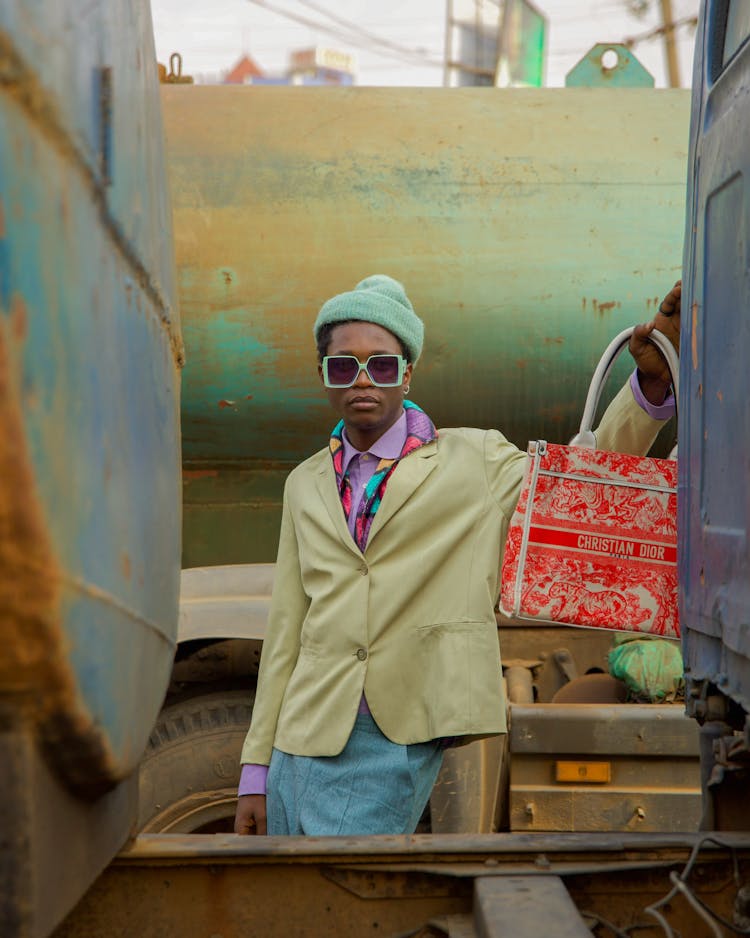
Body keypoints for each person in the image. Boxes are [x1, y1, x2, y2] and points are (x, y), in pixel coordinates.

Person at [234, 274, 681, 837]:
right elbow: (286, 630)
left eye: (384, 365)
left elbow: (579, 485)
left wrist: (648, 385)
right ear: (324, 376)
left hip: (392, 732)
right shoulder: (305, 483)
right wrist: (256, 770)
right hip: (300, 736)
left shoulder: (474, 460)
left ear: (409, 372)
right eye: (344, 366)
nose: (363, 380)